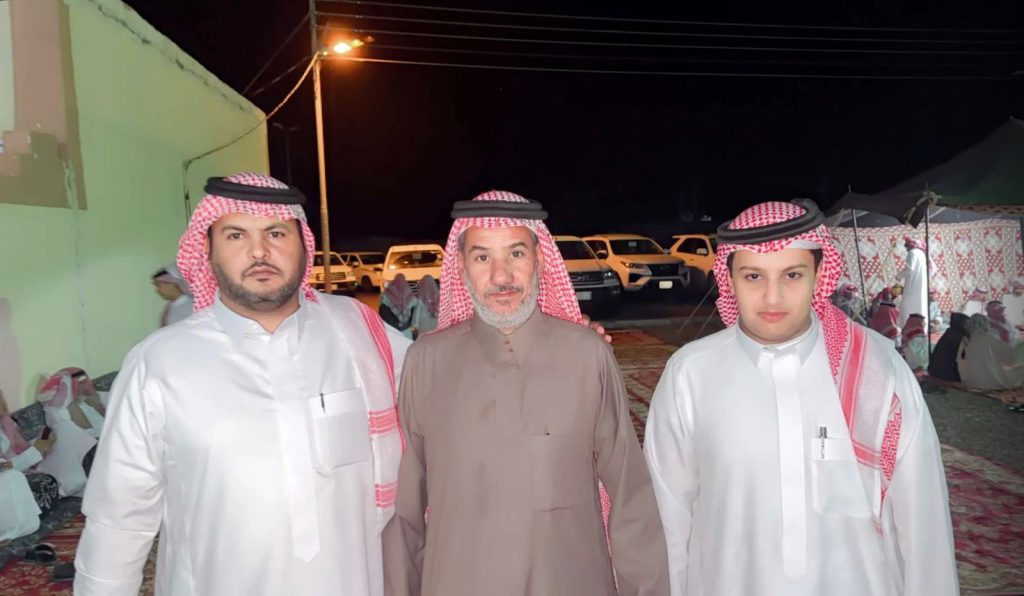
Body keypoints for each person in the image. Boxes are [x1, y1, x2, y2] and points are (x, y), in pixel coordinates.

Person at [75, 173, 410, 596]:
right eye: (236, 235)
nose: (259, 251)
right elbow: (118, 521)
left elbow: (442, 394)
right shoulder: (159, 364)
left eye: (276, 233)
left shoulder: (361, 335)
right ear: (208, 250)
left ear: (304, 246)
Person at [645, 200, 957, 596]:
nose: (772, 297)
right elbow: (668, 519)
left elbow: (923, 520)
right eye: (753, 276)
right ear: (729, 279)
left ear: (819, 274)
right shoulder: (690, 374)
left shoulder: (877, 369)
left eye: (792, 274)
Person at [383, 190, 669, 596]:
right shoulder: (426, 362)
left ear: (539, 259)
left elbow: (630, 498)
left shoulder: (586, 355)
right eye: (482, 257)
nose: (501, 276)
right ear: (461, 266)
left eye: (516, 253)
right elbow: (406, 514)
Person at [0, 394, 59, 543]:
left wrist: (40, 445)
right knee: (13, 477)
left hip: (12, 468)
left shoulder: (6, 422)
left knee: (33, 524)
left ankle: (11, 533)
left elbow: (20, 448)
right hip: (8, 473)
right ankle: (6, 534)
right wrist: (36, 452)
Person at [33, 369, 100, 496]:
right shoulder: (57, 411)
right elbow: (73, 434)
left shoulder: (82, 402)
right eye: (80, 383)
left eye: (84, 383)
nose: (83, 387)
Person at [957, 314, 1024, 390]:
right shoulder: (988, 337)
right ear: (986, 324)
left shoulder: (965, 340)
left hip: (968, 381)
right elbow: (1009, 356)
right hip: (988, 384)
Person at [928, 313, 970, 382]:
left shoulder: (949, 334)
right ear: (962, 324)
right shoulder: (958, 338)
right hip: (947, 376)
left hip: (936, 372)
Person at [896, 237, 928, 328]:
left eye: (906, 247)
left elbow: (909, 269)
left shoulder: (912, 253)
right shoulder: (921, 253)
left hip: (913, 285)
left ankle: (906, 328)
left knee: (906, 307)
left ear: (910, 246)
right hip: (921, 285)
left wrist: (899, 276)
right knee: (920, 307)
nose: (906, 249)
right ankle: (921, 328)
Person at [379, 273, 419, 339]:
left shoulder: (386, 295)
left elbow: (382, 313)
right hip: (406, 332)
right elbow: (414, 317)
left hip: (392, 332)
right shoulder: (410, 296)